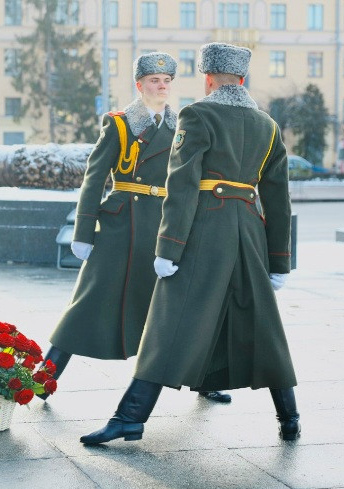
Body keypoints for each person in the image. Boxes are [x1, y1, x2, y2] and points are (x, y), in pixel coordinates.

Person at [81, 42, 300, 445]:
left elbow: (180, 185)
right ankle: (289, 417)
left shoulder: (197, 114)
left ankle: (130, 418)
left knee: (169, 323)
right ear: (243, 79)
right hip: (249, 232)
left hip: (204, 231)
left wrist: (168, 249)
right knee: (262, 324)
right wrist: (279, 261)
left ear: (208, 78)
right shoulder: (267, 125)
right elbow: (278, 197)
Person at [39, 51, 230, 404]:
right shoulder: (120, 123)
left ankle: (204, 379)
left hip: (166, 226)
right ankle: (43, 378)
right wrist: (83, 232)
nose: (162, 86)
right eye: (155, 81)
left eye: (167, 81)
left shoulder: (182, 127)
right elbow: (94, 179)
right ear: (139, 85)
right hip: (121, 226)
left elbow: (193, 180)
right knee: (88, 303)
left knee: (182, 306)